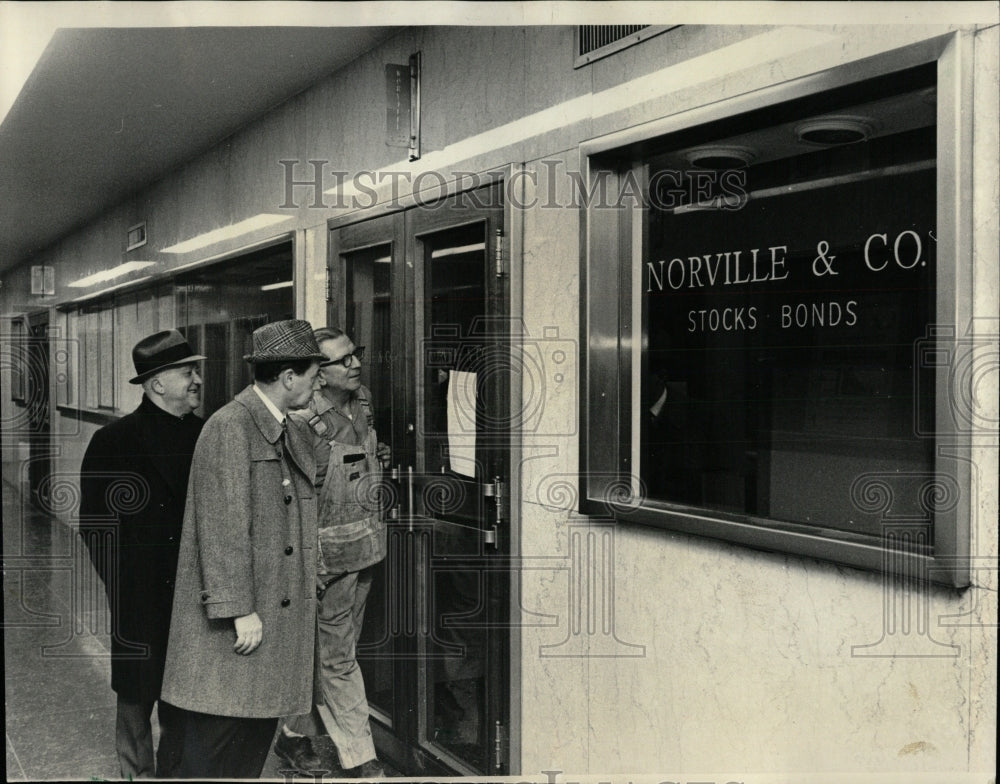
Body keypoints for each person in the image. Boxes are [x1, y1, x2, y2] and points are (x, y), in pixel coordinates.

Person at [157, 319, 325, 778]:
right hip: (242, 623)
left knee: (248, 743)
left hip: (269, 613)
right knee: (214, 747)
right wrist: (239, 608)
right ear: (289, 377)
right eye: (314, 373)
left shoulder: (281, 425)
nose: (319, 381)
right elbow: (222, 525)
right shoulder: (230, 426)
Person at [78, 329, 206, 778]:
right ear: (156, 384)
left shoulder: (208, 436)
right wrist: (125, 585)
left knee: (188, 695)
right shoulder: (114, 441)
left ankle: (174, 772)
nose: (196, 380)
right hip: (140, 593)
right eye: (187, 372)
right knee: (136, 695)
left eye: (195, 371)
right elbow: (96, 527)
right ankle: (136, 773)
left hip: (198, 594)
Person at [275, 327, 389, 779]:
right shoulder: (303, 423)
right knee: (338, 658)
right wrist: (308, 565)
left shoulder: (363, 403)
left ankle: (291, 736)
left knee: (333, 651)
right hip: (327, 564)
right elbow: (292, 505)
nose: (355, 364)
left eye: (354, 354)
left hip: (367, 552)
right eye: (342, 360)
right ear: (318, 376)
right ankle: (362, 759)